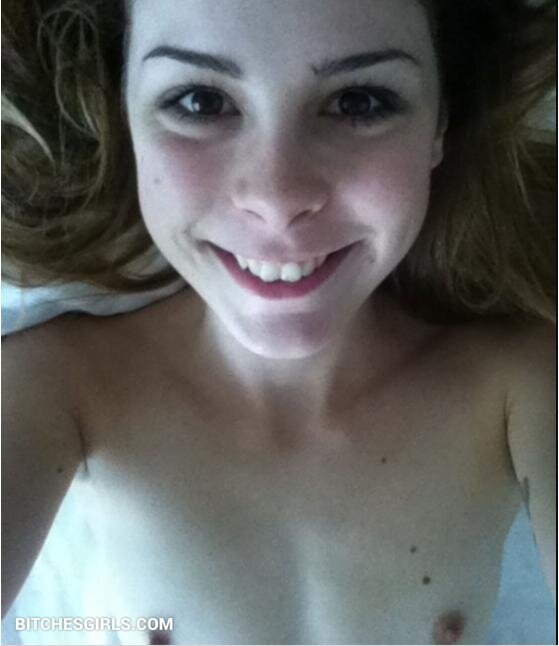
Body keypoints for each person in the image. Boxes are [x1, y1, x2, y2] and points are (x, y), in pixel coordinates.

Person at [2, 1, 556, 644]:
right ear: (125, 121)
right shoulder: (53, 388)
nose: (276, 197)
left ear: (440, 125)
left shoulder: (524, 384)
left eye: (358, 102)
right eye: (201, 102)